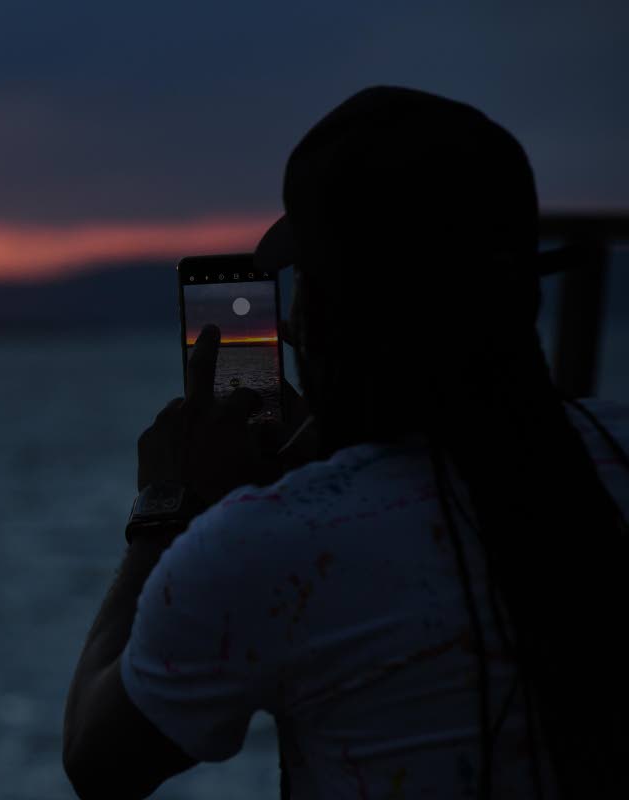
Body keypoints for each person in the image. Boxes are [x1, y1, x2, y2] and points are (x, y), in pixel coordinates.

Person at [62, 86, 629, 799]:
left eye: (303, 293)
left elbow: (96, 759)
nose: (292, 329)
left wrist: (165, 507)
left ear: (328, 320)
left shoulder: (266, 548)